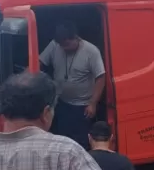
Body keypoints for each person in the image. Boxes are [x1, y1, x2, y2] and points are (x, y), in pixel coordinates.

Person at [40, 21, 106, 149]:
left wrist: (93, 103)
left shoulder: (91, 51)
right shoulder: (55, 45)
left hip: (82, 107)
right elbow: (39, 62)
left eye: (66, 44)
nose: (63, 48)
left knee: (79, 143)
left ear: (76, 38)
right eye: (61, 45)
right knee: (61, 138)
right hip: (61, 103)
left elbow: (100, 77)